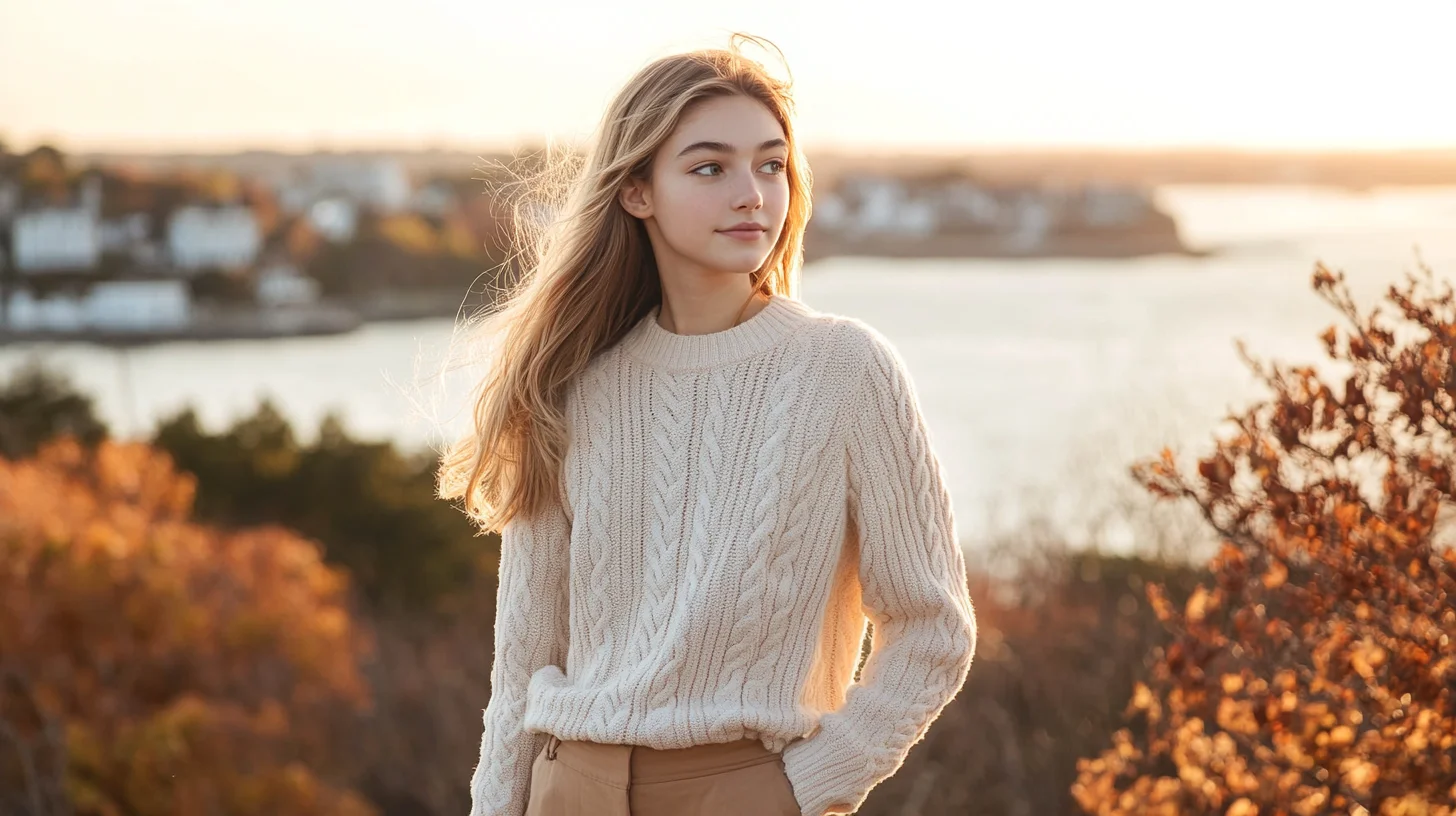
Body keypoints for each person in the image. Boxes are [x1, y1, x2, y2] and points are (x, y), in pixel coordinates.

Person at [438, 33, 977, 816]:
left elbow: (932, 629)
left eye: (770, 164)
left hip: (743, 788)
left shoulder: (845, 369)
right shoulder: (568, 385)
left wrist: (804, 789)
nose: (751, 193)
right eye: (709, 167)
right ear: (637, 192)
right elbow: (524, 657)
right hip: (568, 785)